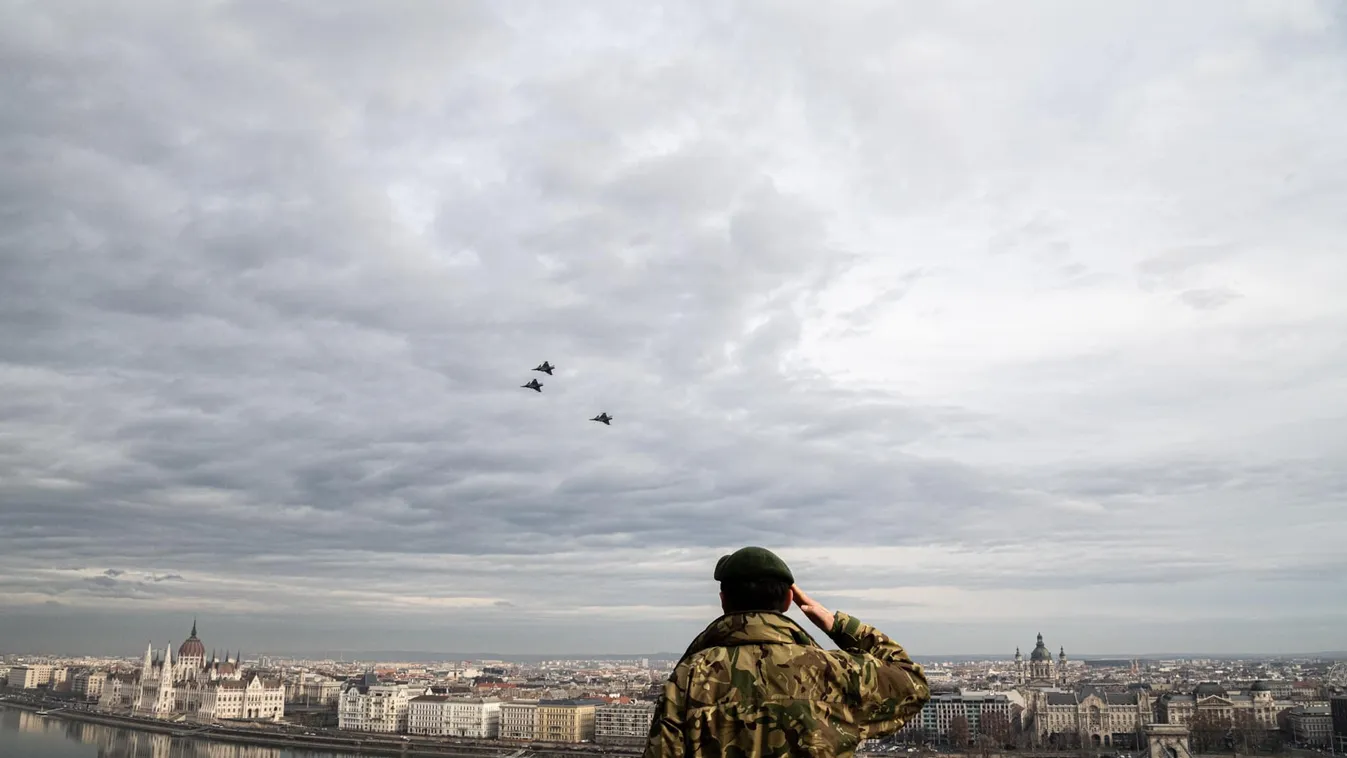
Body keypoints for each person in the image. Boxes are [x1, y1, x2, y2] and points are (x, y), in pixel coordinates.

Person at [642, 546, 930, 758]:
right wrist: (836, 623)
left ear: (723, 600)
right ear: (789, 599)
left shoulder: (689, 676)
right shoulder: (835, 671)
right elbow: (912, 683)